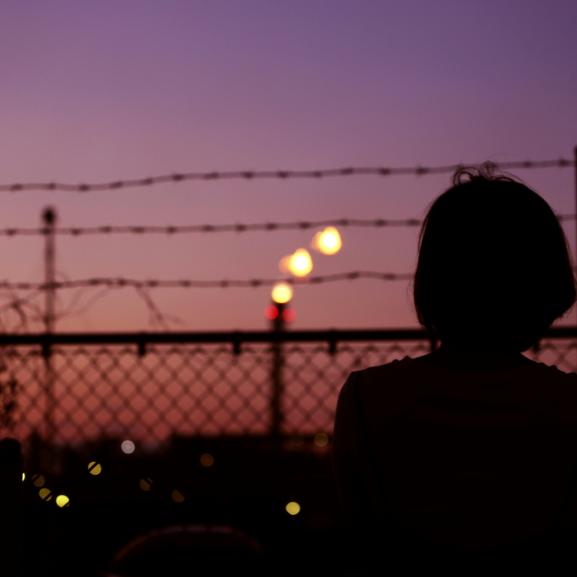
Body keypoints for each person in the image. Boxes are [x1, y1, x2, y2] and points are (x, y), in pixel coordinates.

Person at [332, 165, 577, 576]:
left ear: (433, 280)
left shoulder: (367, 400)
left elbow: (359, 536)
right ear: (546, 282)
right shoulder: (567, 406)